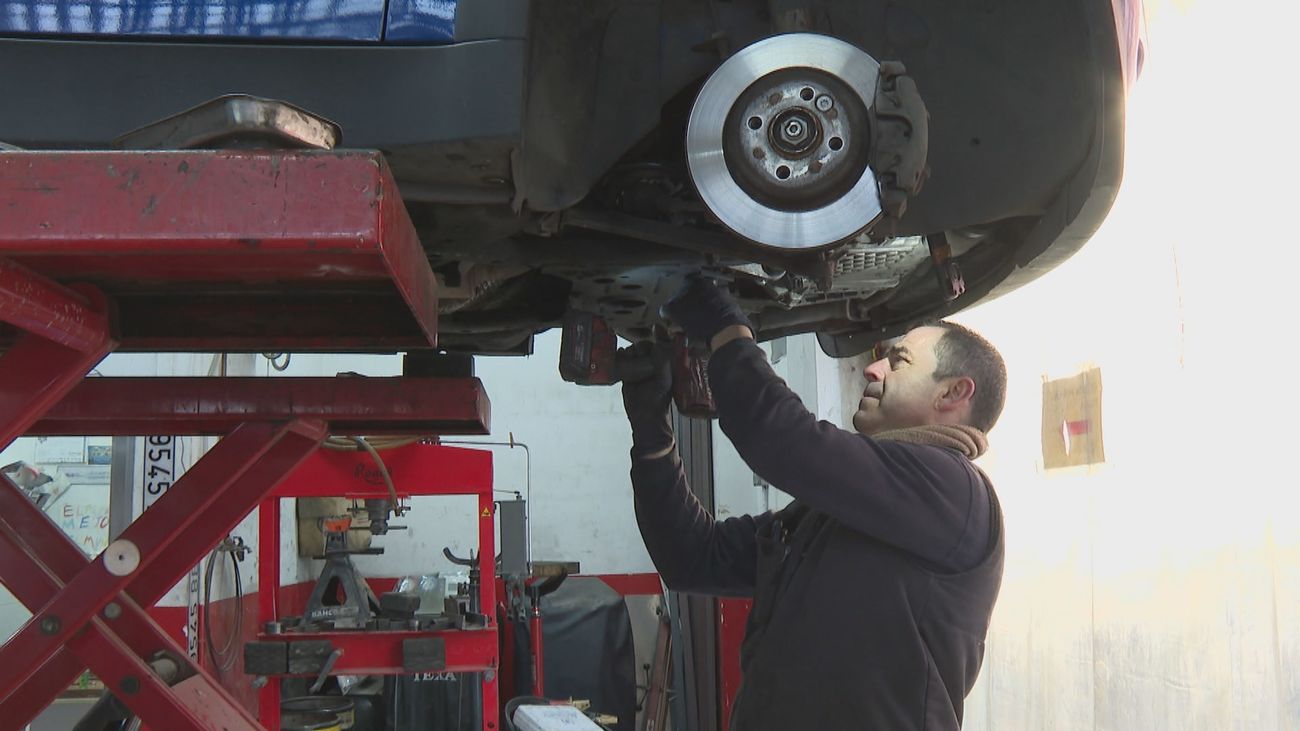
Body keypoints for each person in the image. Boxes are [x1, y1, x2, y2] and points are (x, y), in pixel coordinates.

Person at [618, 277, 1008, 730]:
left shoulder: (957, 493)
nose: (872, 369)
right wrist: (652, 433)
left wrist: (727, 329)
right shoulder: (831, 516)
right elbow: (693, 558)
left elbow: (783, 440)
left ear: (953, 393)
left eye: (898, 361)